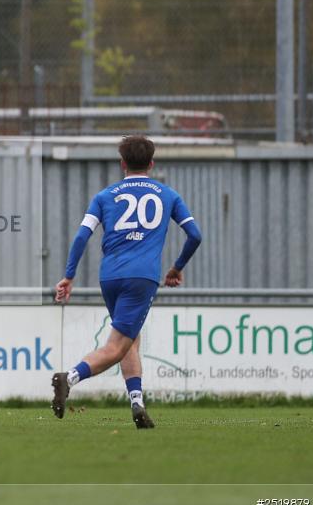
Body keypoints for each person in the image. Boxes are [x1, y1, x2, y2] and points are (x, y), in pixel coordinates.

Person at [52, 135, 202, 429]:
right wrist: (176, 268)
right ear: (152, 163)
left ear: (122, 163)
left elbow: (82, 236)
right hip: (141, 277)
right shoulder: (168, 194)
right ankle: (68, 378)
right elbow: (195, 235)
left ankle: (137, 404)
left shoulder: (105, 195)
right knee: (117, 346)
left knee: (130, 339)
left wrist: (69, 275)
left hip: (109, 276)